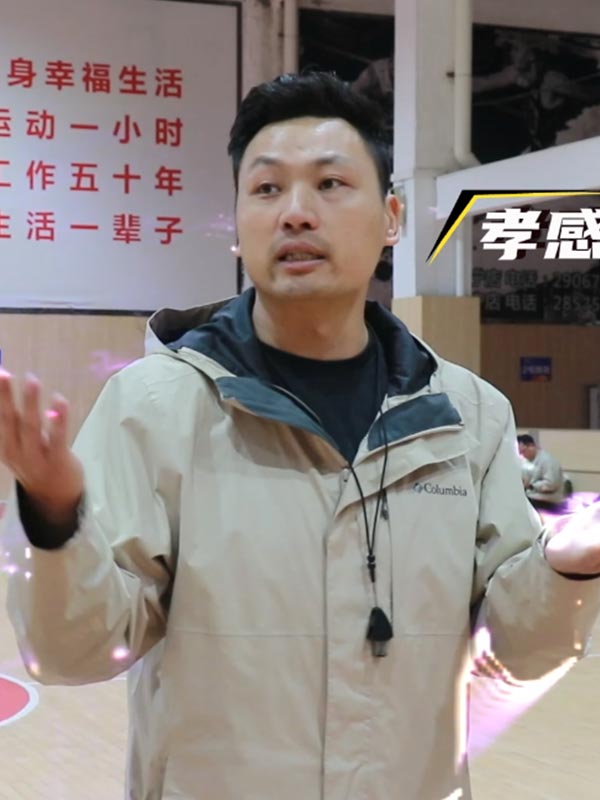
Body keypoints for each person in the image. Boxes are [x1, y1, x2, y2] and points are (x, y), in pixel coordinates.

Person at [1, 71, 600, 800]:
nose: (294, 213)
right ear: (238, 225)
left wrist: (566, 569)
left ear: (392, 218)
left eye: (329, 184)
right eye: (266, 189)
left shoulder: (469, 417)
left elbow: (516, 654)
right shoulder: (153, 408)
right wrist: (55, 518)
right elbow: (76, 651)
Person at [517, 433, 566, 507]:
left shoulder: (547, 460)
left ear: (531, 446)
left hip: (547, 500)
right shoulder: (525, 461)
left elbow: (551, 484)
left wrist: (531, 486)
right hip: (531, 496)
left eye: (523, 451)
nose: (522, 455)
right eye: (519, 453)